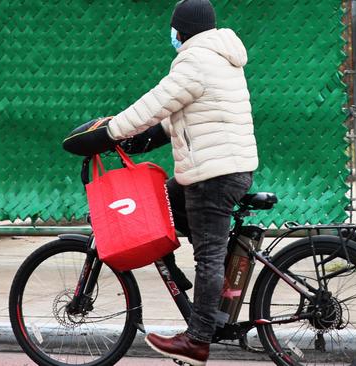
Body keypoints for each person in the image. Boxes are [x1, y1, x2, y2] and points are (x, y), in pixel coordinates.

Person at [63, 1, 257, 364]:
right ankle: (197, 296)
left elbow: (155, 104)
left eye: (174, 30)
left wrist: (110, 132)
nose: (173, 36)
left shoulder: (195, 60)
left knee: (209, 255)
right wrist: (146, 138)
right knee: (156, 208)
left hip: (213, 176)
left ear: (181, 30)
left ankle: (198, 339)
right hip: (223, 169)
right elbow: (187, 114)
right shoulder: (221, 56)